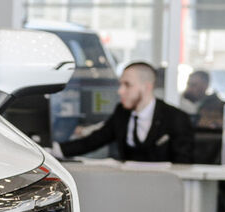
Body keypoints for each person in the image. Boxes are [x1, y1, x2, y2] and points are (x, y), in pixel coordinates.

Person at [56, 61, 194, 163]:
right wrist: (55, 150)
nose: (120, 91)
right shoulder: (122, 113)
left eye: (127, 85)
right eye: (121, 85)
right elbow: (94, 140)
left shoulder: (176, 118)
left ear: (147, 87)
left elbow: (183, 163)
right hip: (128, 186)